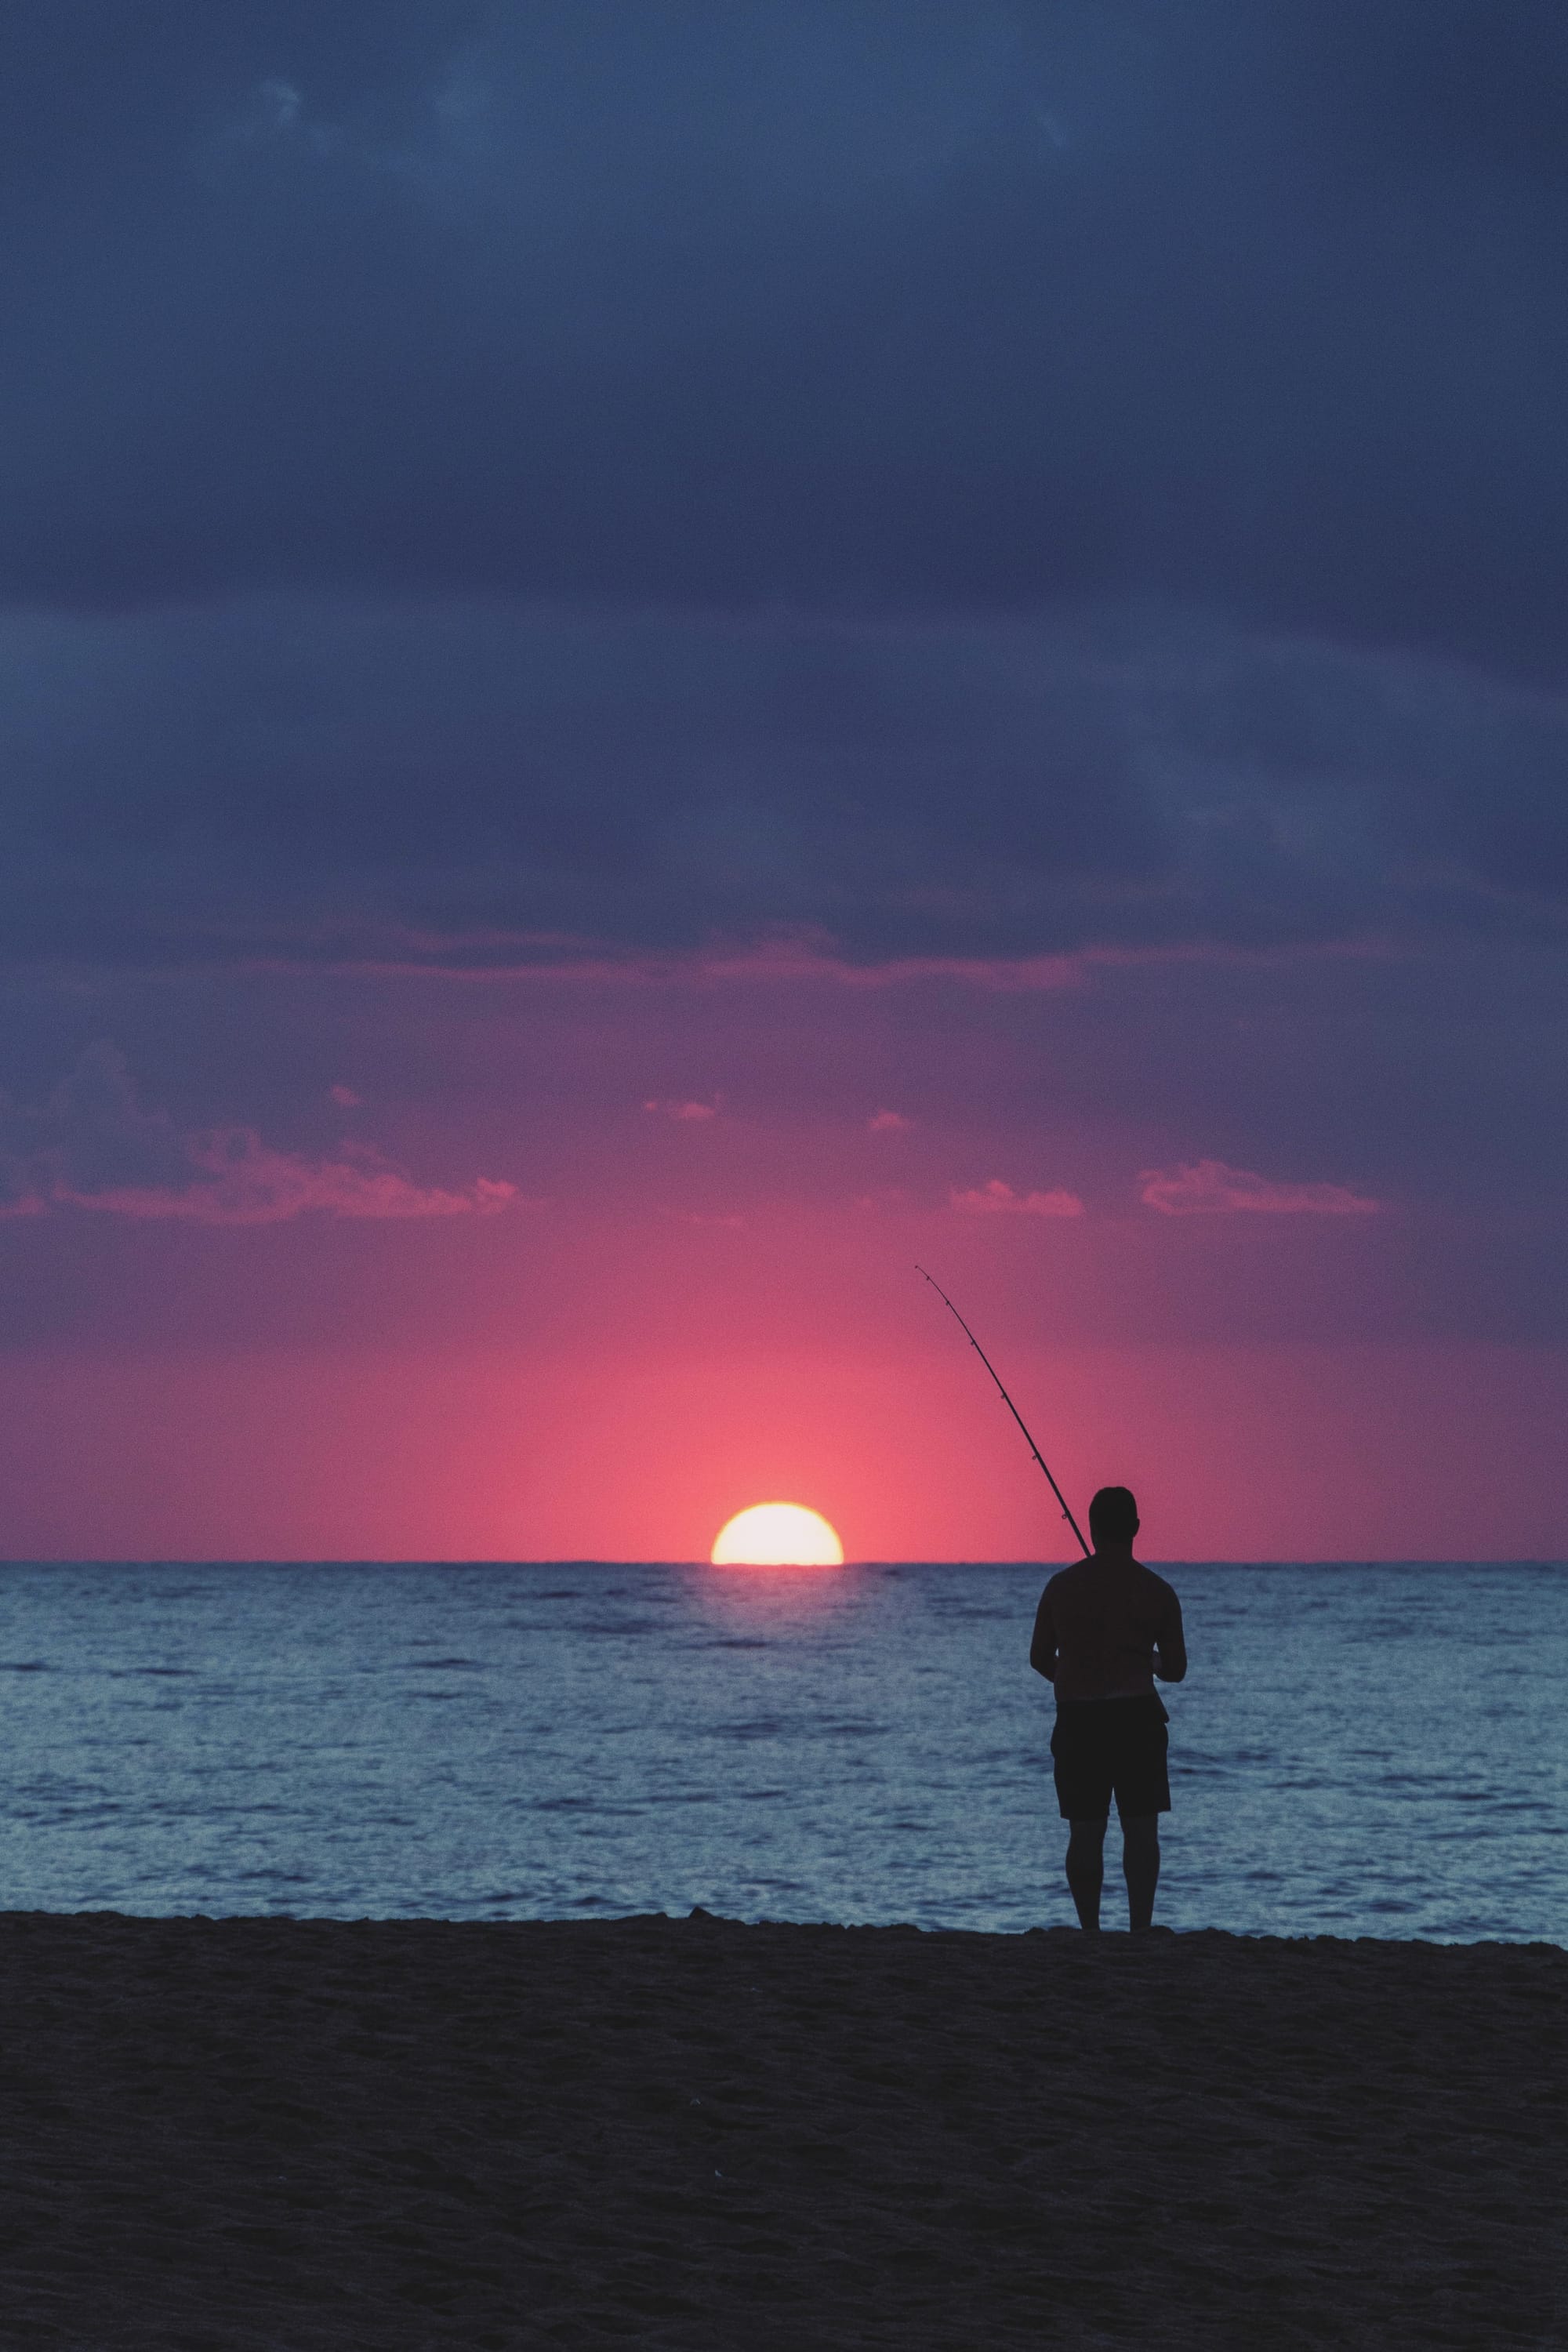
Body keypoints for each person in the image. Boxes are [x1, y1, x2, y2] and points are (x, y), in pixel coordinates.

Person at [1029, 1486, 1186, 1933]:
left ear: (1092, 1528)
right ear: (1136, 1528)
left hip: (1079, 1721)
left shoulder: (1061, 1588)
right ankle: (1140, 1930)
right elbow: (1176, 1668)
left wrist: (1074, 1675)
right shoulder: (1157, 1591)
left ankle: (1090, 1932)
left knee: (1085, 1831)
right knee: (1141, 1832)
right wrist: (1147, 1661)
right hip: (1138, 1718)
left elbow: (1040, 1657)